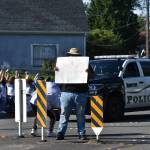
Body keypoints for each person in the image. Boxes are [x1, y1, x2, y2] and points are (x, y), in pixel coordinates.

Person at [56, 48, 94, 140]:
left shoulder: (84, 63)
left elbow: (93, 76)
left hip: (77, 92)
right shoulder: (63, 63)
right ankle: (61, 133)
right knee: (66, 113)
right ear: (69, 55)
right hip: (69, 91)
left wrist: (88, 72)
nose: (73, 57)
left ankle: (80, 133)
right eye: (72, 55)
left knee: (78, 114)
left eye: (74, 55)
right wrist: (57, 70)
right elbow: (58, 75)